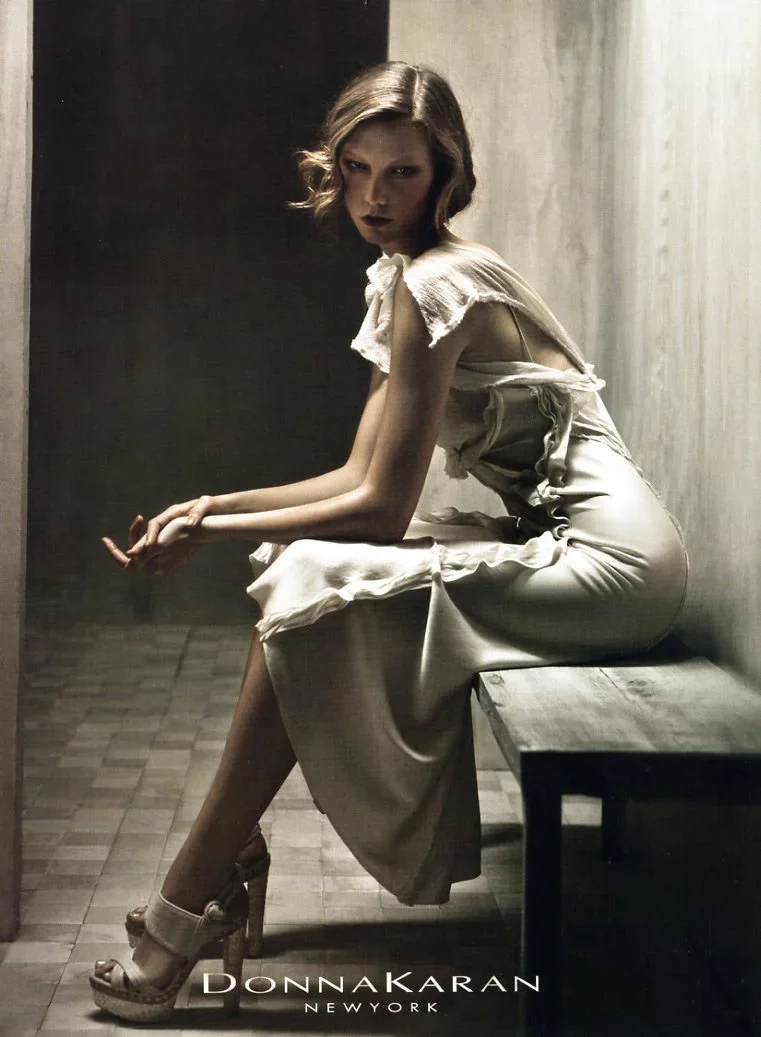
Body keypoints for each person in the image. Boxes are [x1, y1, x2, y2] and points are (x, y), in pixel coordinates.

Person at [90, 60, 688, 1021]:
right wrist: (210, 505)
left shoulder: (440, 282)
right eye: (357, 169)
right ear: (334, 170)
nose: (375, 195)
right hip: (568, 548)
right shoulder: (409, 279)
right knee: (303, 576)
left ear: (445, 173)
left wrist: (211, 530)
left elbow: (374, 507)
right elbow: (352, 476)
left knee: (315, 578)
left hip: (607, 566)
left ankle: (187, 905)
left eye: (401, 173)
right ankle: (220, 865)